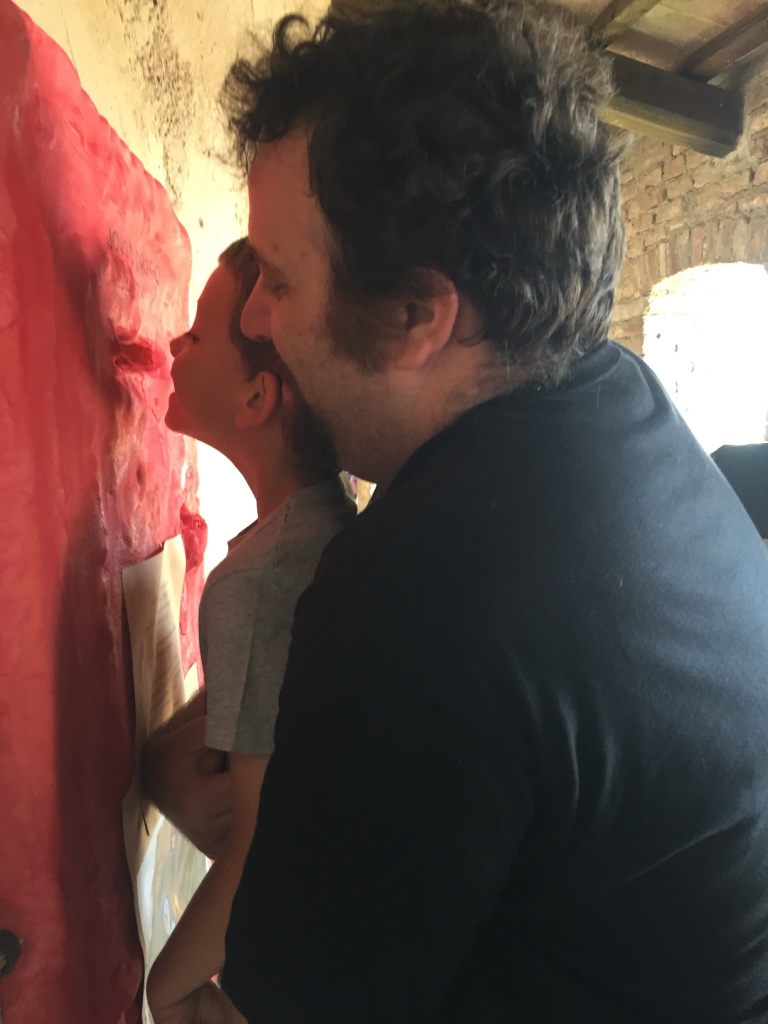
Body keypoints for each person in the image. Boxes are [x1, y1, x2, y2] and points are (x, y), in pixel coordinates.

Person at [207, 1, 768, 1021]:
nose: (254, 316)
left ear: (417, 314)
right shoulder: (619, 399)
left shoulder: (414, 601)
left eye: (277, 280)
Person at [142, 239, 356, 1024]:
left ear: (257, 398)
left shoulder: (259, 584)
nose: (174, 344)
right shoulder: (327, 526)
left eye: (197, 335)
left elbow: (262, 846)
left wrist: (164, 991)